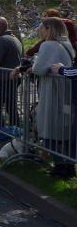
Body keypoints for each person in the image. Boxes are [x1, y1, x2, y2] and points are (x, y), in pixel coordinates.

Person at [27, 18, 75, 177]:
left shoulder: (48, 45)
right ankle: (69, 165)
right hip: (66, 90)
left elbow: (39, 69)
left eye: (42, 28)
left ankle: (60, 166)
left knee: (51, 127)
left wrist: (35, 64)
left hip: (52, 92)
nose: (40, 31)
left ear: (49, 29)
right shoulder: (67, 44)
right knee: (65, 128)